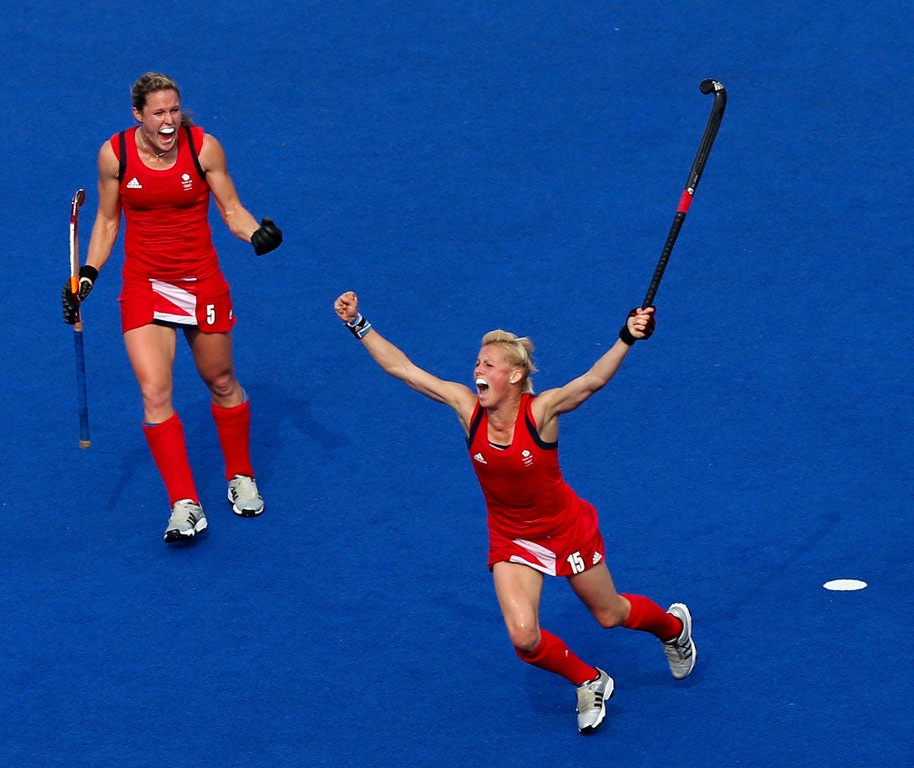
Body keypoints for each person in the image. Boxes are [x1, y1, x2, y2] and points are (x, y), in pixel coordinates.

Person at [332, 291, 694, 733]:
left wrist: (627, 335)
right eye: (477, 363)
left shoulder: (540, 413)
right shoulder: (467, 409)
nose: (476, 370)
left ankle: (673, 628)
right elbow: (402, 368)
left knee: (610, 615)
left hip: (565, 531)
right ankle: (589, 681)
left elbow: (591, 381)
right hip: (511, 536)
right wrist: (358, 323)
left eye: (487, 364)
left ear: (516, 374)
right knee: (524, 638)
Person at [62, 72, 283, 544]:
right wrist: (88, 275)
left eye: (174, 110)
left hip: (201, 283)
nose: (168, 121)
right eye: (158, 112)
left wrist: (255, 235)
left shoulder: (203, 148)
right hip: (145, 285)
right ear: (138, 114)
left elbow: (231, 209)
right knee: (154, 392)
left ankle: (240, 474)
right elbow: (105, 220)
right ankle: (184, 503)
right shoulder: (115, 155)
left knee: (221, 381)